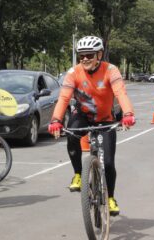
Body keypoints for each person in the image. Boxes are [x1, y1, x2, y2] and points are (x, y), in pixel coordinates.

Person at [48, 35, 135, 216]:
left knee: (109, 163)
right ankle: (78, 174)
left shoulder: (111, 70)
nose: (85, 59)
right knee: (71, 135)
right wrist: (56, 120)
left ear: (99, 54)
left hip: (106, 118)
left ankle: (110, 198)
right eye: (81, 56)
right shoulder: (73, 73)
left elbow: (121, 93)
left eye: (89, 54)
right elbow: (64, 97)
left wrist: (128, 114)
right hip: (83, 115)